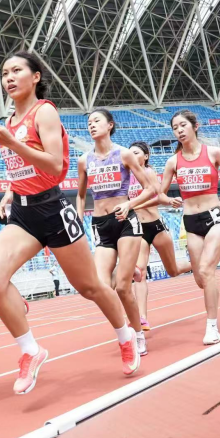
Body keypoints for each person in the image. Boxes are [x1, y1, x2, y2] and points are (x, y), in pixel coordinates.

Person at [0, 51, 142, 396]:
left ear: (36, 76)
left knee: (91, 287)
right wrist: (9, 190)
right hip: (23, 214)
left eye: (17, 70)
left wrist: (11, 143)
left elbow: (55, 166)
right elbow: (23, 167)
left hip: (52, 210)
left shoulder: (45, 112)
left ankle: (126, 336)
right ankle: (30, 351)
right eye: (5, 72)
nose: (9, 77)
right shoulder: (9, 121)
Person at [136, 110, 220, 345]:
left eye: (183, 125)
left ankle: (212, 327)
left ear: (195, 126)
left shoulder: (213, 153)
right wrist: (168, 200)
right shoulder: (173, 161)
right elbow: (160, 193)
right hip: (191, 222)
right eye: (175, 128)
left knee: (206, 270)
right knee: (200, 279)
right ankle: (211, 288)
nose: (179, 130)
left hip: (215, 216)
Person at [77, 110, 162, 359]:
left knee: (123, 288)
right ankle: (126, 270)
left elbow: (150, 188)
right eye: (89, 122)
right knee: (101, 287)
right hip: (100, 224)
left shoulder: (124, 154)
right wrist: (78, 218)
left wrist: (129, 204)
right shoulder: (84, 160)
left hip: (125, 222)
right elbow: (81, 196)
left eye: (97, 121)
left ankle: (138, 335)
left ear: (110, 125)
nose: (92, 125)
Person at [125, 141, 191, 332]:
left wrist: (169, 200)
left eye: (136, 153)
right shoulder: (126, 176)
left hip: (156, 226)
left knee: (173, 270)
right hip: (138, 229)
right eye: (129, 153)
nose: (131, 155)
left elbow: (158, 196)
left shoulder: (148, 172)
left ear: (145, 157)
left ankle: (198, 263)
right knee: (139, 273)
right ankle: (142, 318)